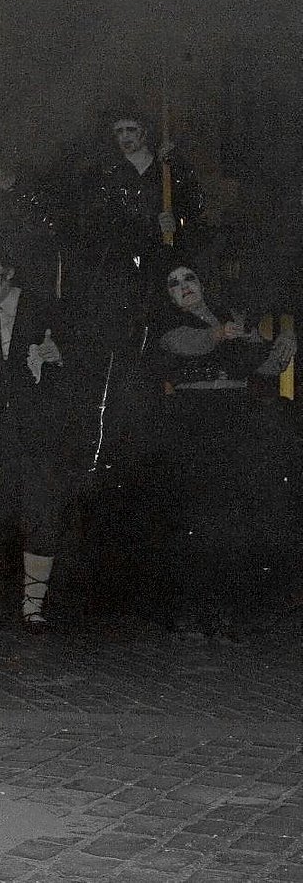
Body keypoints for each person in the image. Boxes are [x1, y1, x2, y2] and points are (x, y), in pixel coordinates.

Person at [151, 261, 297, 641]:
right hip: (194, 420)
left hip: (233, 418)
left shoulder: (229, 318)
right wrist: (220, 333)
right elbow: (187, 343)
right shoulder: (169, 324)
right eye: (174, 283)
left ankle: (229, 609)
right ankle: (190, 608)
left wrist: (282, 347)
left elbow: (259, 366)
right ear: (167, 294)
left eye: (189, 278)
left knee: (235, 514)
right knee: (198, 515)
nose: (184, 286)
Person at [0, 256, 76, 632]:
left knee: (40, 513)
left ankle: (33, 608)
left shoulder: (44, 307)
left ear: (9, 272)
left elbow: (82, 358)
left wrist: (58, 355)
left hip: (39, 431)